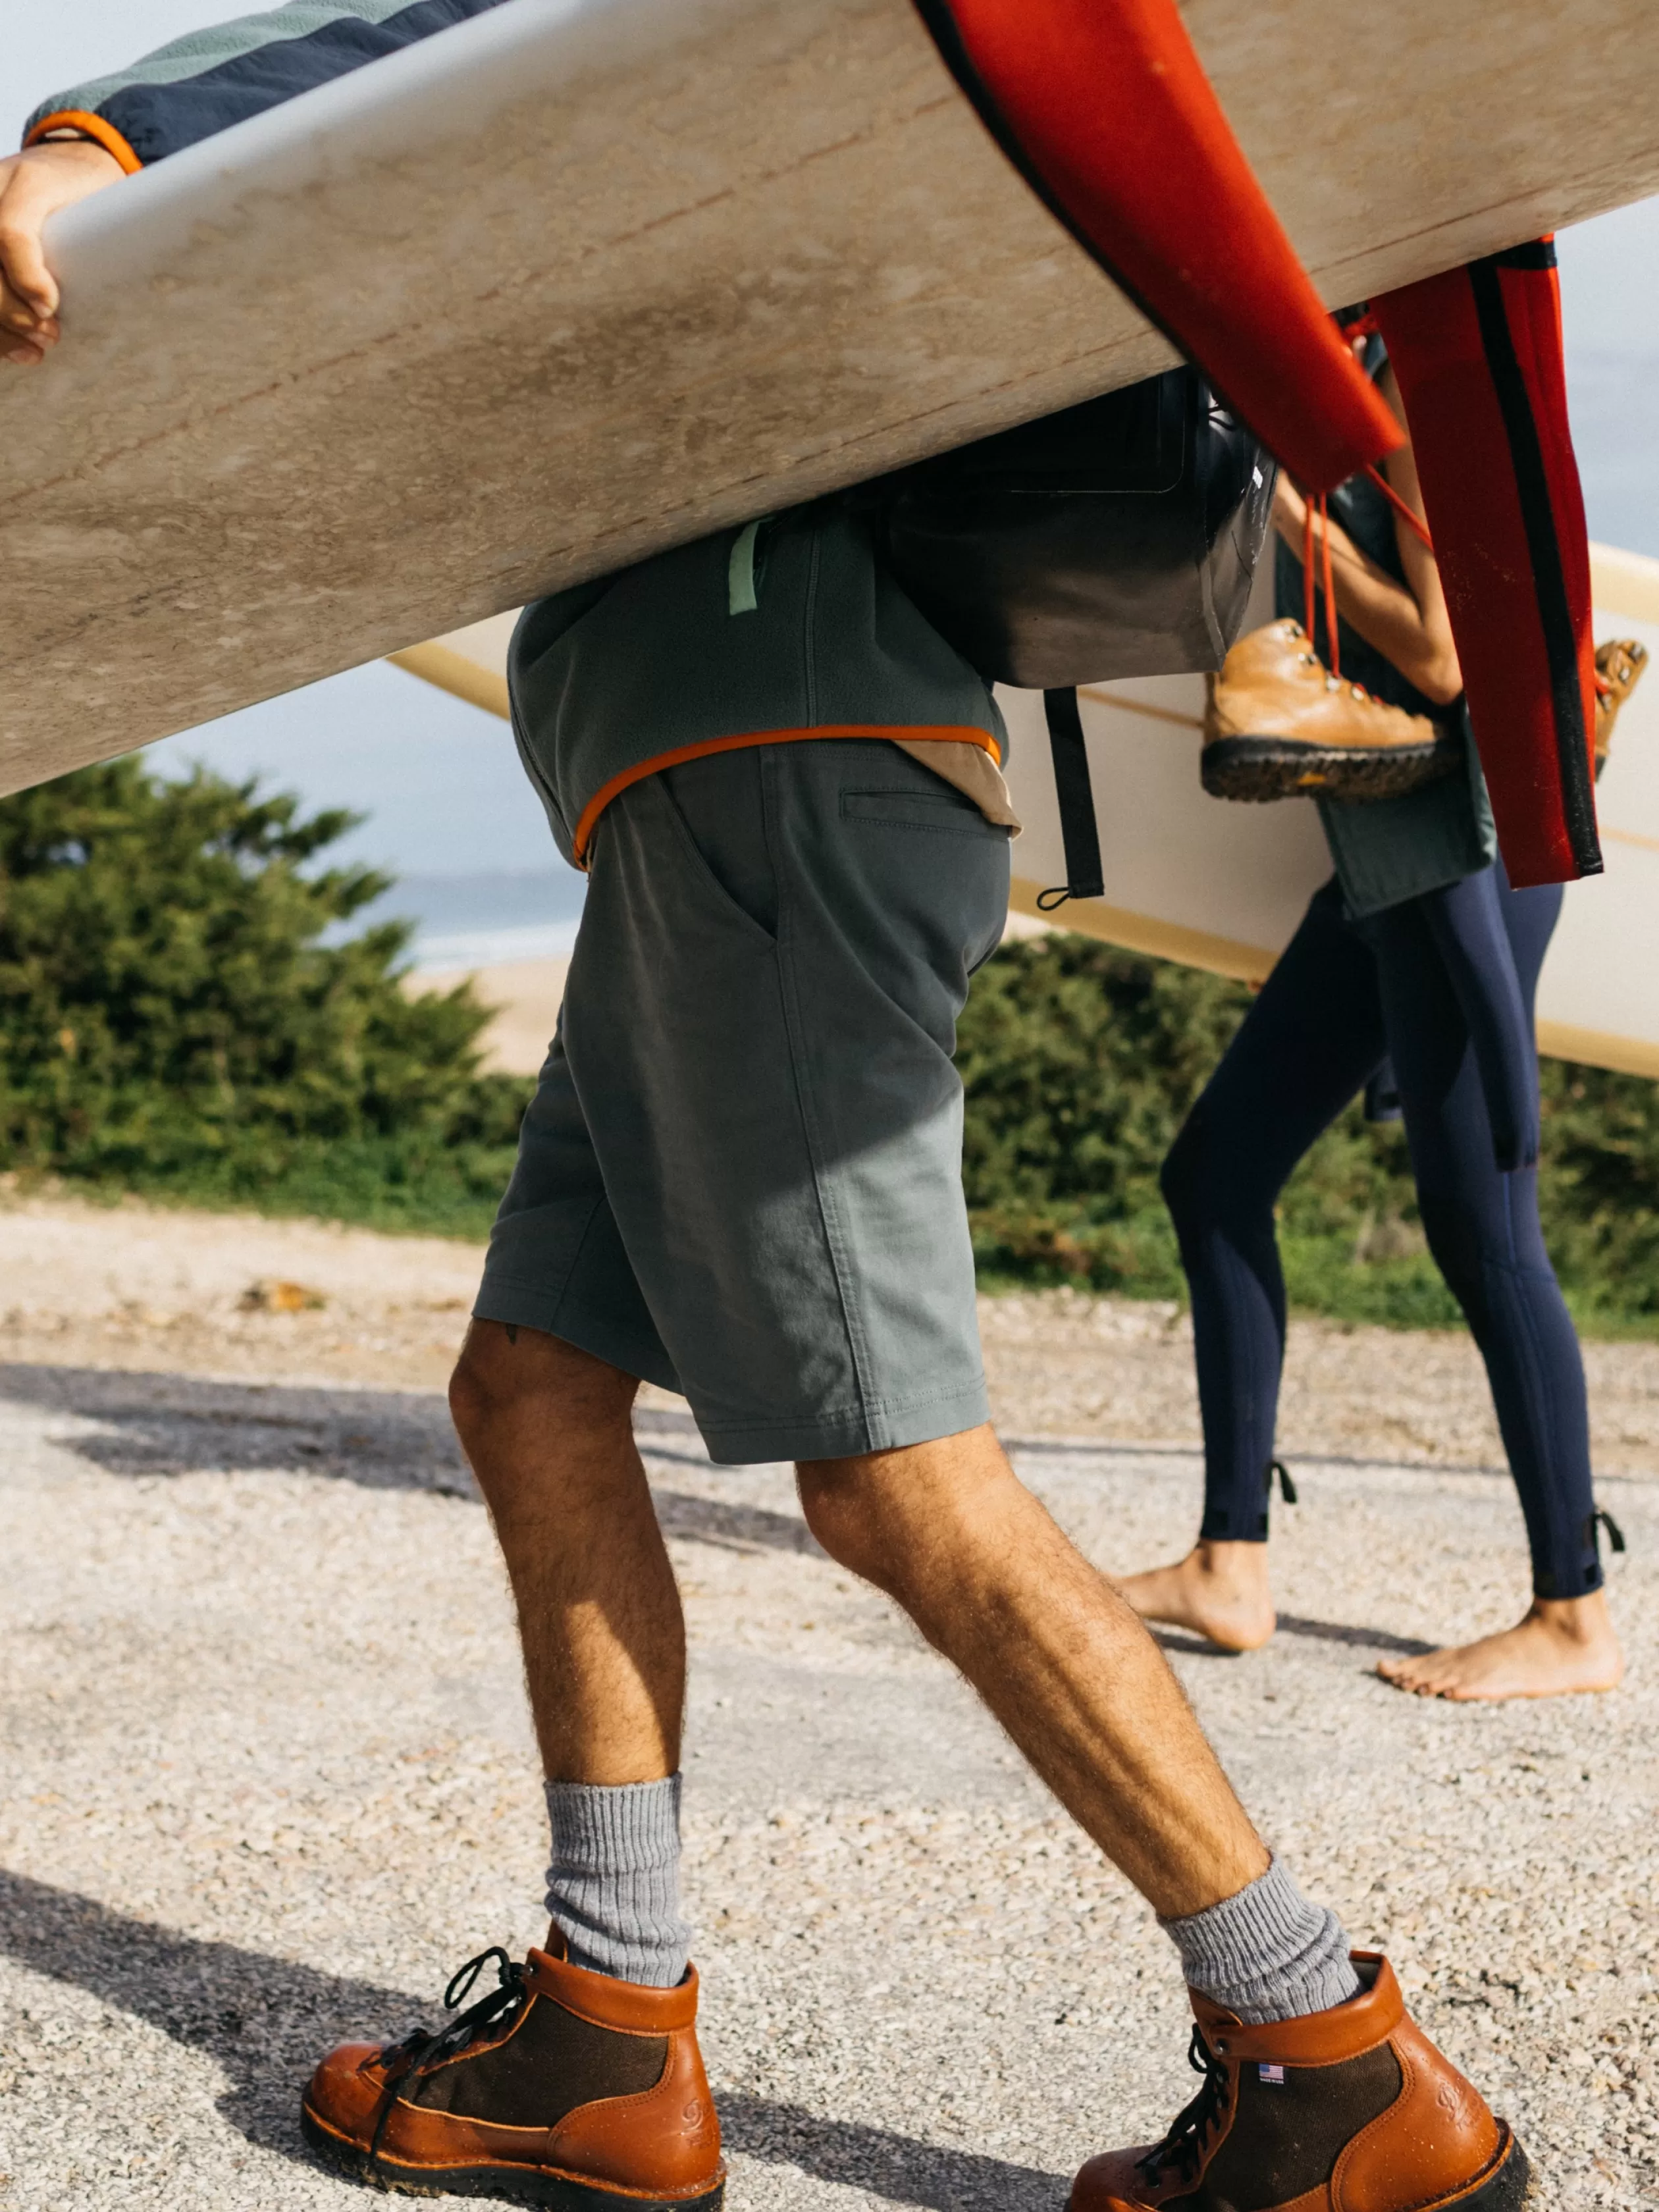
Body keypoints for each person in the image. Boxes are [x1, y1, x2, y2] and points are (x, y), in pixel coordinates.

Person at [1, 26, 1534, 2212]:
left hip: (770, 781)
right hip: (701, 805)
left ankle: (1333, 2062)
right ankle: (607, 2034)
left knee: (900, 1477)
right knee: (533, 1389)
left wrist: (87, 152)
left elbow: (389, 42)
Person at [1117, 321, 1626, 1702]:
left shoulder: (1404, 390)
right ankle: (1231, 1560)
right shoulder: (1347, 383)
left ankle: (1573, 1616)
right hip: (1383, 870)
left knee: (1487, 1232)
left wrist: (1286, 505)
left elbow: (1447, 657)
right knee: (1215, 1175)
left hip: (1456, 861)